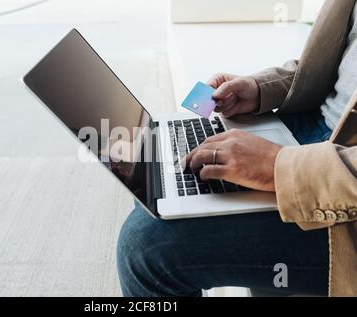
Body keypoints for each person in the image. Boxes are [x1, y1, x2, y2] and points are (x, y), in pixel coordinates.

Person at [117, 0, 357, 297]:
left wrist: (277, 166)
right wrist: (259, 89)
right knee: (158, 176)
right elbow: (341, 66)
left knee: (146, 248)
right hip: (315, 124)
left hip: (343, 188)